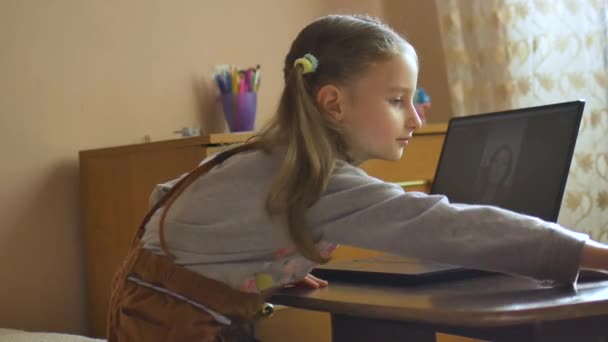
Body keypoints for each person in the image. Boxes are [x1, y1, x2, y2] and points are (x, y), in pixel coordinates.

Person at [106, 14, 608, 341]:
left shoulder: (263, 156)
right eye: (397, 100)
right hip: (176, 328)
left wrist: (259, 261)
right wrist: (592, 255)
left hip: (143, 309)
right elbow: (449, 225)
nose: (414, 119)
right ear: (333, 103)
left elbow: (166, 198)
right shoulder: (319, 182)